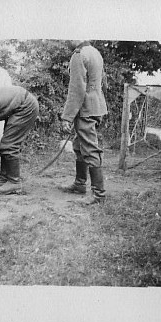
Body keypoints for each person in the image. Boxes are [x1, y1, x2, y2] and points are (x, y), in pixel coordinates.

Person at [59, 40, 108, 204]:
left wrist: (67, 117)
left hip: (85, 107)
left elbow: (76, 89)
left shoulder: (79, 55)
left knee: (89, 148)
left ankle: (98, 194)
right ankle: (80, 184)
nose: (67, 40)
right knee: (79, 145)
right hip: (96, 105)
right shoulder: (95, 52)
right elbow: (102, 82)